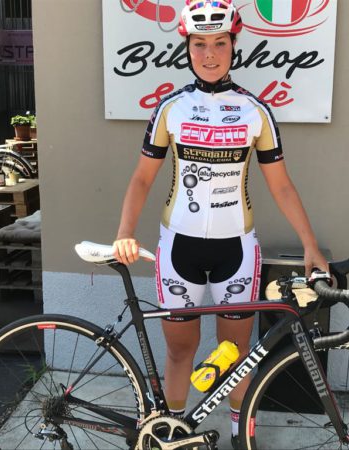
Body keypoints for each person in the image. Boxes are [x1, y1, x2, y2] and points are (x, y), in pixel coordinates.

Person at [113, 0, 329, 446]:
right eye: (199, 44)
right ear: (187, 48)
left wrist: (310, 244)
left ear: (233, 46)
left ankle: (238, 435)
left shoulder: (255, 111)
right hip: (179, 248)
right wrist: (124, 233)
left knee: (235, 354)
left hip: (237, 249)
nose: (209, 54)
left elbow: (281, 185)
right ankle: (172, 435)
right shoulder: (171, 108)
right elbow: (141, 178)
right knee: (180, 350)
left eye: (219, 43)